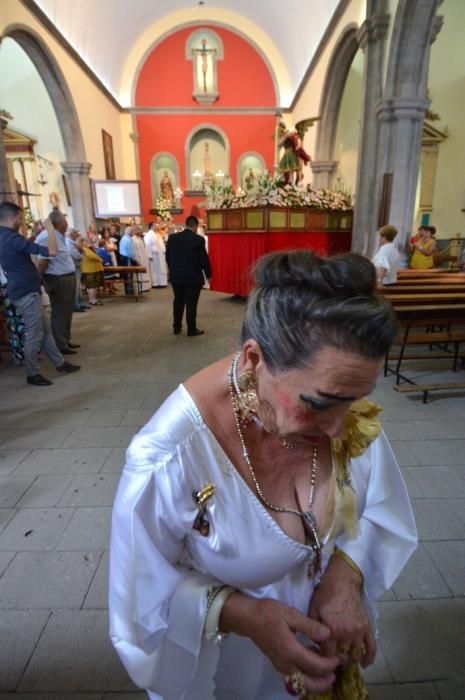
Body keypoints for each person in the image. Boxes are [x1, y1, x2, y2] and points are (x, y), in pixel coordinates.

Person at [109, 250, 417, 700]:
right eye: (318, 403)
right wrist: (246, 616)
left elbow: (376, 505)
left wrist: (345, 577)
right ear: (254, 359)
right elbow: (139, 600)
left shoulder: (339, 405)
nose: (339, 426)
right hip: (227, 671)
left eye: (355, 399)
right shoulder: (169, 457)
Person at [0, 201, 80, 385]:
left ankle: (60, 363)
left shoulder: (5, 236)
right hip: (25, 291)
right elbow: (52, 251)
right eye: (20, 218)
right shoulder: (13, 238)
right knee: (35, 334)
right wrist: (50, 229)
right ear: (12, 217)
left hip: (23, 289)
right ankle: (32, 373)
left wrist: (38, 234)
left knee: (45, 330)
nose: (22, 221)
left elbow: (23, 251)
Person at [36, 210, 79, 355]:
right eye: (65, 220)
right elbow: (42, 261)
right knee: (60, 312)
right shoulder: (47, 236)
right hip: (58, 279)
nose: (67, 223)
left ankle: (65, 340)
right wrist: (39, 279)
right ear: (59, 222)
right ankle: (60, 344)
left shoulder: (59, 236)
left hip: (66, 277)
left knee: (67, 311)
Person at [165, 215, 212, 336]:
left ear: (186, 224)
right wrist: (208, 274)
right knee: (191, 303)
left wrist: (173, 269)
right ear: (195, 226)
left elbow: (168, 257)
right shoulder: (198, 239)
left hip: (177, 277)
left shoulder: (172, 238)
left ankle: (176, 327)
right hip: (193, 278)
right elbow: (203, 259)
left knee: (178, 301)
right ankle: (191, 329)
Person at [66, 229, 88, 312]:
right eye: (76, 234)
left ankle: (79, 303)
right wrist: (82, 254)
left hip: (77, 266)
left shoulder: (72, 242)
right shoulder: (69, 243)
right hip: (74, 267)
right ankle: (75, 305)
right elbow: (76, 256)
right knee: (75, 287)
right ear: (72, 234)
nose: (77, 235)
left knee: (78, 287)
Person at [81, 240, 104, 306]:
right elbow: (93, 256)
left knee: (89, 286)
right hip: (91, 270)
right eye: (87, 242)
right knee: (92, 286)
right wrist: (100, 259)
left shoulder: (85, 249)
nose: (89, 243)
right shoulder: (85, 249)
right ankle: (94, 300)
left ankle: (91, 300)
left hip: (88, 269)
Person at [144, 222, 168, 288]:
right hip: (154, 255)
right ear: (151, 226)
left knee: (161, 269)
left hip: (160, 255)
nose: (157, 226)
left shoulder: (157, 234)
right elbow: (147, 245)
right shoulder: (149, 234)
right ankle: (156, 283)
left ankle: (162, 283)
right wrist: (149, 255)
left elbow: (162, 242)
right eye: (155, 225)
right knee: (155, 270)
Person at [132, 225, 151, 293]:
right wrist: (137, 260)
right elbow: (135, 252)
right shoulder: (134, 240)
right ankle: (141, 288)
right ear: (137, 230)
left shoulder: (140, 239)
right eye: (141, 230)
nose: (142, 232)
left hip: (144, 258)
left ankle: (145, 286)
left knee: (145, 273)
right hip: (139, 259)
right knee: (140, 274)